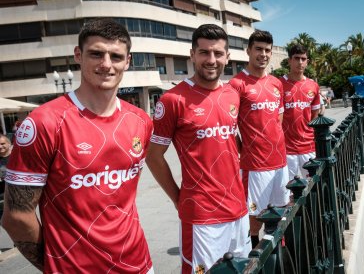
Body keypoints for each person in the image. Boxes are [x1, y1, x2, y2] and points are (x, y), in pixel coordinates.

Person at [1, 19, 154, 273]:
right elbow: (16, 217)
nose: (106, 64)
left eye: (116, 56)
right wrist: (52, 264)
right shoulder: (45, 122)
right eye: (96, 54)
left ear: (128, 61)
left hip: (138, 263)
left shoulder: (140, 121)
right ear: (78, 55)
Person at [146, 24, 250, 273]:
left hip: (239, 209)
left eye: (217, 53)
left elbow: (230, 141)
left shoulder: (232, 95)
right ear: (192, 55)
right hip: (202, 216)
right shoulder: (172, 100)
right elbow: (153, 156)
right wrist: (177, 197)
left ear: (227, 57)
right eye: (204, 53)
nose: (211, 60)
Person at [228, 30, 289, 248]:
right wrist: (243, 150)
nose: (263, 54)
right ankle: (255, 260)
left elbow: (278, 119)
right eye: (258, 49)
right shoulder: (236, 84)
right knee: (254, 220)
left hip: (280, 161)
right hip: (255, 166)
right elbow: (229, 127)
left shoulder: (276, 83)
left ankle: (279, 256)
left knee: (280, 211)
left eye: (267, 50)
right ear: (248, 51)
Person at [281, 44, 321, 180]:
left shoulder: (313, 86)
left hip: (308, 147)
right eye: (296, 58)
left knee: (313, 187)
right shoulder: (278, 85)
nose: (300, 62)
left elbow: (315, 117)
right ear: (289, 61)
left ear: (307, 62)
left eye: (303, 59)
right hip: (286, 149)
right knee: (289, 191)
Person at [0, 134, 12, 218]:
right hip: (2, 196)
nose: (0, 146)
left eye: (2, 144)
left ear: (9, 144)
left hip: (18, 196)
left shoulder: (16, 157)